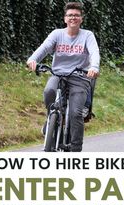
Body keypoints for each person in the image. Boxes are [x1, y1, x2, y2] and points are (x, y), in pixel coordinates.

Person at [27, 2, 100, 152]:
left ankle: (75, 149)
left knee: (75, 113)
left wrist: (94, 67)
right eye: (70, 15)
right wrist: (33, 59)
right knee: (49, 92)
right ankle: (51, 120)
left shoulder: (87, 35)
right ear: (65, 18)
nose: (73, 18)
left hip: (79, 77)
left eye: (76, 15)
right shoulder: (57, 34)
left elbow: (94, 52)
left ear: (81, 19)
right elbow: (45, 47)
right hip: (58, 74)